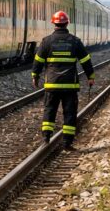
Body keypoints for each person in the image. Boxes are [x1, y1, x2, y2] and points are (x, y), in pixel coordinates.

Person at [32, 10, 95, 150]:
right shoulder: (75, 41)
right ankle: (67, 143)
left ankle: (46, 137)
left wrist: (35, 76)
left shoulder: (46, 41)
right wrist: (90, 76)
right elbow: (86, 61)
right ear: (67, 23)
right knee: (70, 113)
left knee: (49, 110)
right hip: (69, 85)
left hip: (52, 84)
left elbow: (38, 61)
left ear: (53, 24)